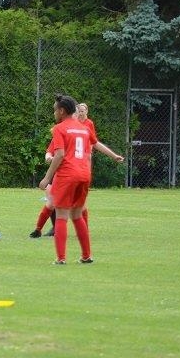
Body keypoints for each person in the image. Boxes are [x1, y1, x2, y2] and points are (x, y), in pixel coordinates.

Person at [38, 94, 123, 265]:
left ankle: (61, 259)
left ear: (62, 111)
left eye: (55, 110)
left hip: (67, 175)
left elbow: (60, 154)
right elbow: (96, 144)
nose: (54, 113)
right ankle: (86, 256)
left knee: (61, 215)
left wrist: (47, 178)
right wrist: (114, 156)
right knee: (77, 214)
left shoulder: (59, 129)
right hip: (84, 174)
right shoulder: (84, 128)